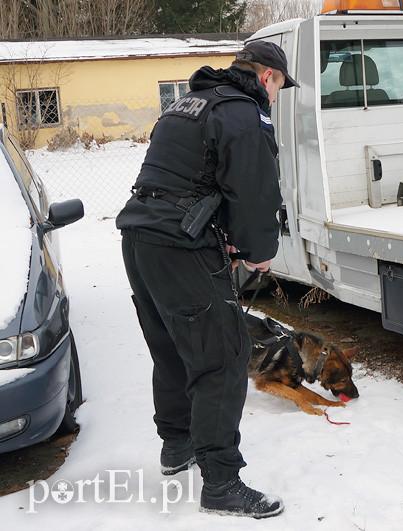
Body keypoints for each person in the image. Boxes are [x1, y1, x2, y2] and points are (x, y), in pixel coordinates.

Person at [115, 41, 297, 519]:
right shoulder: (243, 114)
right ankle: (221, 483)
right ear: (267, 77)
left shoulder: (186, 105)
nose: (276, 98)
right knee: (223, 356)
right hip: (181, 247)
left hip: (139, 238)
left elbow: (190, 178)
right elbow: (256, 193)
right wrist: (259, 254)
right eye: (279, 87)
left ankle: (177, 446)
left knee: (174, 346)